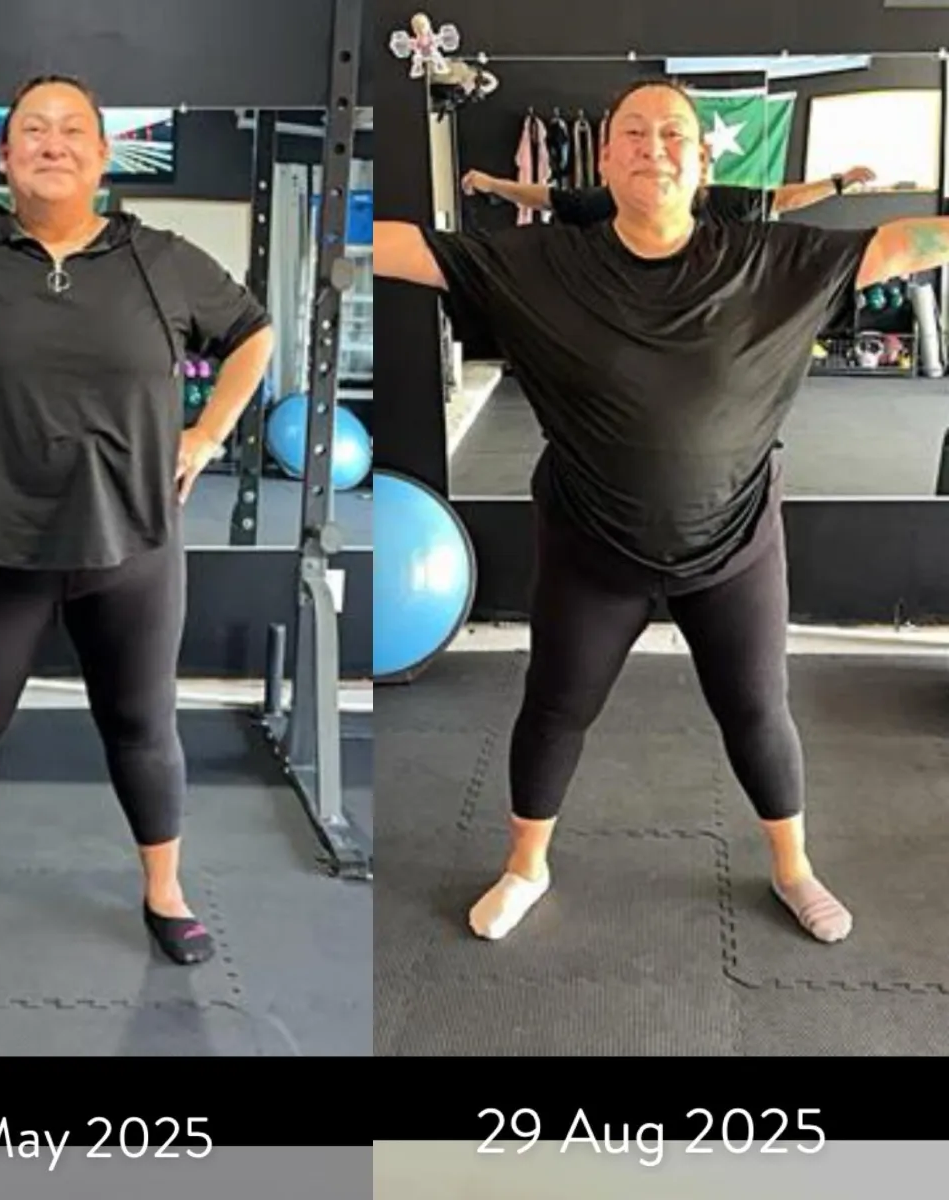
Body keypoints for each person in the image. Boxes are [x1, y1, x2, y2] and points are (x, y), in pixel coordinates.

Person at [376, 76, 949, 947]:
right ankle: (526, 864)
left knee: (759, 711)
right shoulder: (540, 263)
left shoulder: (773, 258)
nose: (654, 148)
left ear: (705, 156)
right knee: (555, 708)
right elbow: (405, 248)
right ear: (604, 159)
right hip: (590, 546)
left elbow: (908, 244)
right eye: (634, 134)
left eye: (674, 133)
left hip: (735, 547)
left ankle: (793, 868)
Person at [0, 74, 275, 970]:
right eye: (33, 129)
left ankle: (166, 892)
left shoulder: (161, 260)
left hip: (133, 543)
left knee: (144, 725)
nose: (53, 143)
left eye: (74, 130)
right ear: (5, 156)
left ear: (104, 156)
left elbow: (253, 333)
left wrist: (207, 432)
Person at [460, 163, 877, 226]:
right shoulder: (612, 201)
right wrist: (494, 184)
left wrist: (837, 183)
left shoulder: (719, 201)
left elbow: (781, 200)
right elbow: (551, 199)